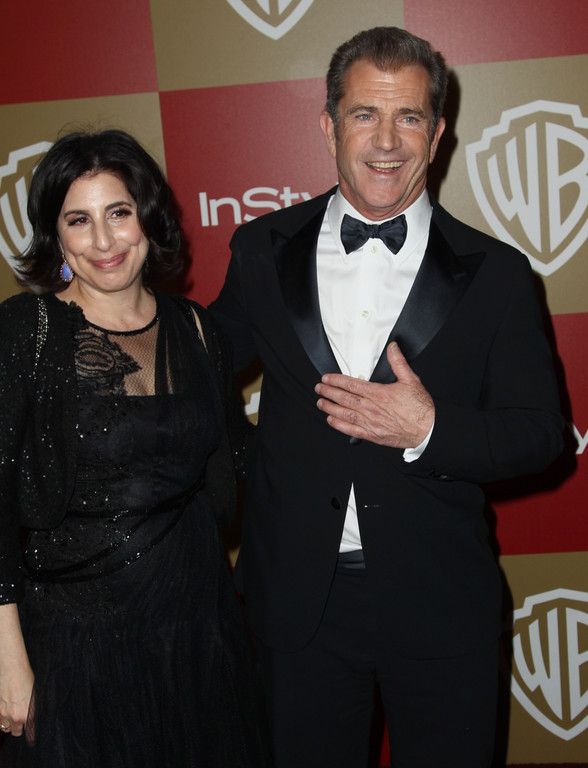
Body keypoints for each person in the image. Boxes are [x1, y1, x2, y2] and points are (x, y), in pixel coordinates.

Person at [209, 26, 564, 768]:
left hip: (442, 604)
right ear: (328, 125)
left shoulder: (497, 274)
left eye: (408, 117)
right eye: (364, 114)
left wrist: (430, 429)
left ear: (436, 134)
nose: (386, 141)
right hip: (296, 607)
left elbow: (542, 435)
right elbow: (196, 372)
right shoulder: (261, 250)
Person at [0, 129, 269, 768]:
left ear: (147, 216)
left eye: (118, 213)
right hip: (77, 642)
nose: (103, 241)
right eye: (79, 220)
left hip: (197, 627)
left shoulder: (196, 327)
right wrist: (7, 654)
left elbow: (238, 459)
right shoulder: (27, 331)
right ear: (55, 235)